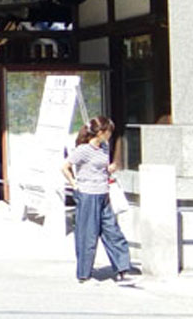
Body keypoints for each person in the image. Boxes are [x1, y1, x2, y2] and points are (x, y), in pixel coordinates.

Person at [61, 116, 133, 284]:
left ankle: (122, 268)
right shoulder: (83, 150)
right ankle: (84, 274)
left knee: (113, 231)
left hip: (103, 193)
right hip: (87, 194)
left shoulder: (104, 148)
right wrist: (74, 183)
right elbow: (65, 167)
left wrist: (110, 170)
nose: (110, 135)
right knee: (87, 234)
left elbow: (101, 170)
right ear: (100, 132)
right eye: (108, 132)